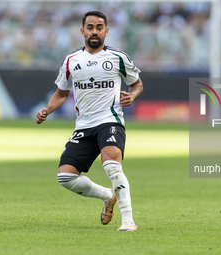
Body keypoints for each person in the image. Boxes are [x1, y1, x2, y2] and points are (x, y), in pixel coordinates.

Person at [36, 11, 143, 231]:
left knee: (112, 164)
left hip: (110, 121)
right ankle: (107, 196)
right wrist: (48, 109)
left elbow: (137, 84)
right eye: (91, 27)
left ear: (106, 31)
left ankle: (128, 221)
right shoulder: (71, 61)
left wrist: (131, 96)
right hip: (84, 125)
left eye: (99, 27)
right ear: (82, 31)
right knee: (65, 176)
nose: (95, 31)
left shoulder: (118, 57)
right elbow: (61, 93)